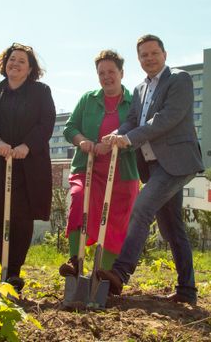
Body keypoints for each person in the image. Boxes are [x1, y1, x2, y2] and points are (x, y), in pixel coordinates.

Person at [98, 34, 204, 305]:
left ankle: (120, 273)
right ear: (139, 60)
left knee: (141, 208)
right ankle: (187, 290)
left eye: (154, 53)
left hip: (178, 162)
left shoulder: (179, 80)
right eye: (144, 55)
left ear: (164, 54)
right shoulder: (139, 89)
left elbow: (167, 119)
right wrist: (117, 134)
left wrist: (130, 139)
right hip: (155, 166)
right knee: (172, 229)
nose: (149, 58)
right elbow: (132, 121)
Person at [0, 43, 55, 292]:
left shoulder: (40, 91)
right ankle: (5, 270)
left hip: (28, 164)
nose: (15, 63)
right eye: (12, 59)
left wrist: (26, 146)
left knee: (22, 216)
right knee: (2, 215)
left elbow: (46, 122)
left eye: (21, 61)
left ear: (30, 68)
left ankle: (15, 272)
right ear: (4, 63)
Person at [59, 50, 139, 276]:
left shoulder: (135, 103)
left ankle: (103, 272)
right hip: (89, 167)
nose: (106, 77)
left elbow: (141, 133)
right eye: (101, 72)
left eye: (111, 71)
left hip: (122, 170)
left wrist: (118, 144)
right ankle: (76, 260)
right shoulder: (88, 99)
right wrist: (83, 141)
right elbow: (70, 128)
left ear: (121, 73)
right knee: (78, 198)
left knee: (117, 218)